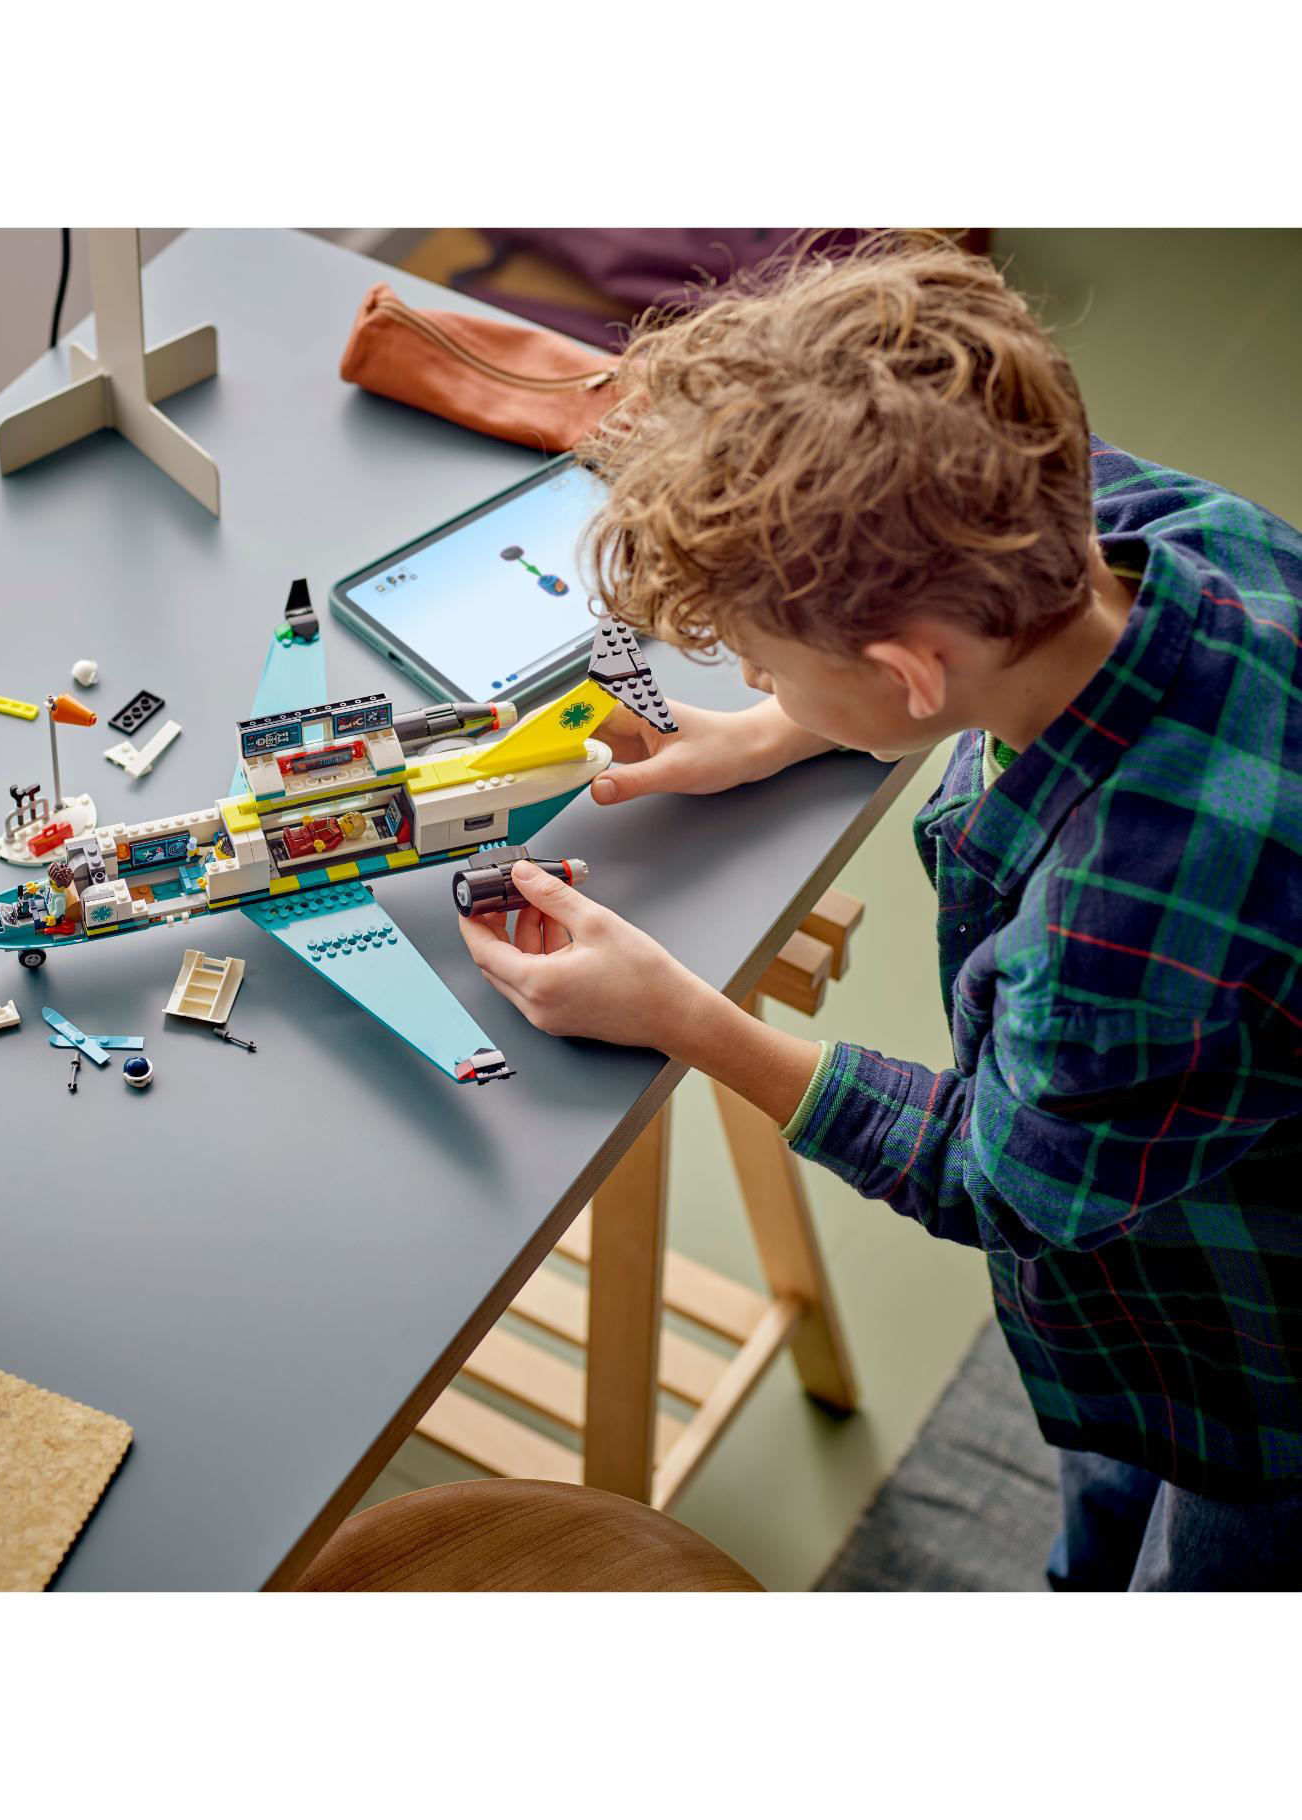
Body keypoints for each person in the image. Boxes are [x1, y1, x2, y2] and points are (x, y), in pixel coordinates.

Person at [459, 233, 1302, 1591]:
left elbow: (993, 1176)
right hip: (1170, 1232)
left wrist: (683, 1016)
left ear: (910, 672)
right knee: (1118, 1485)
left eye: (762, 663)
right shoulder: (1148, 526)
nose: (750, 680)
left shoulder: (1118, 935)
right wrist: (776, 731)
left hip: (1251, 1346)